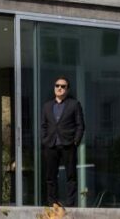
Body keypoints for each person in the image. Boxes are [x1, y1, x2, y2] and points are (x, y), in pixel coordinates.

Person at [41, 76, 85, 207]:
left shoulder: (74, 104)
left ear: (67, 89)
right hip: (51, 145)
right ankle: (52, 203)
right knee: (50, 176)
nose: (59, 88)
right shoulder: (47, 106)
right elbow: (43, 125)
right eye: (57, 85)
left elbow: (80, 125)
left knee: (70, 176)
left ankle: (71, 204)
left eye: (63, 86)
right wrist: (44, 139)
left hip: (68, 145)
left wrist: (76, 141)